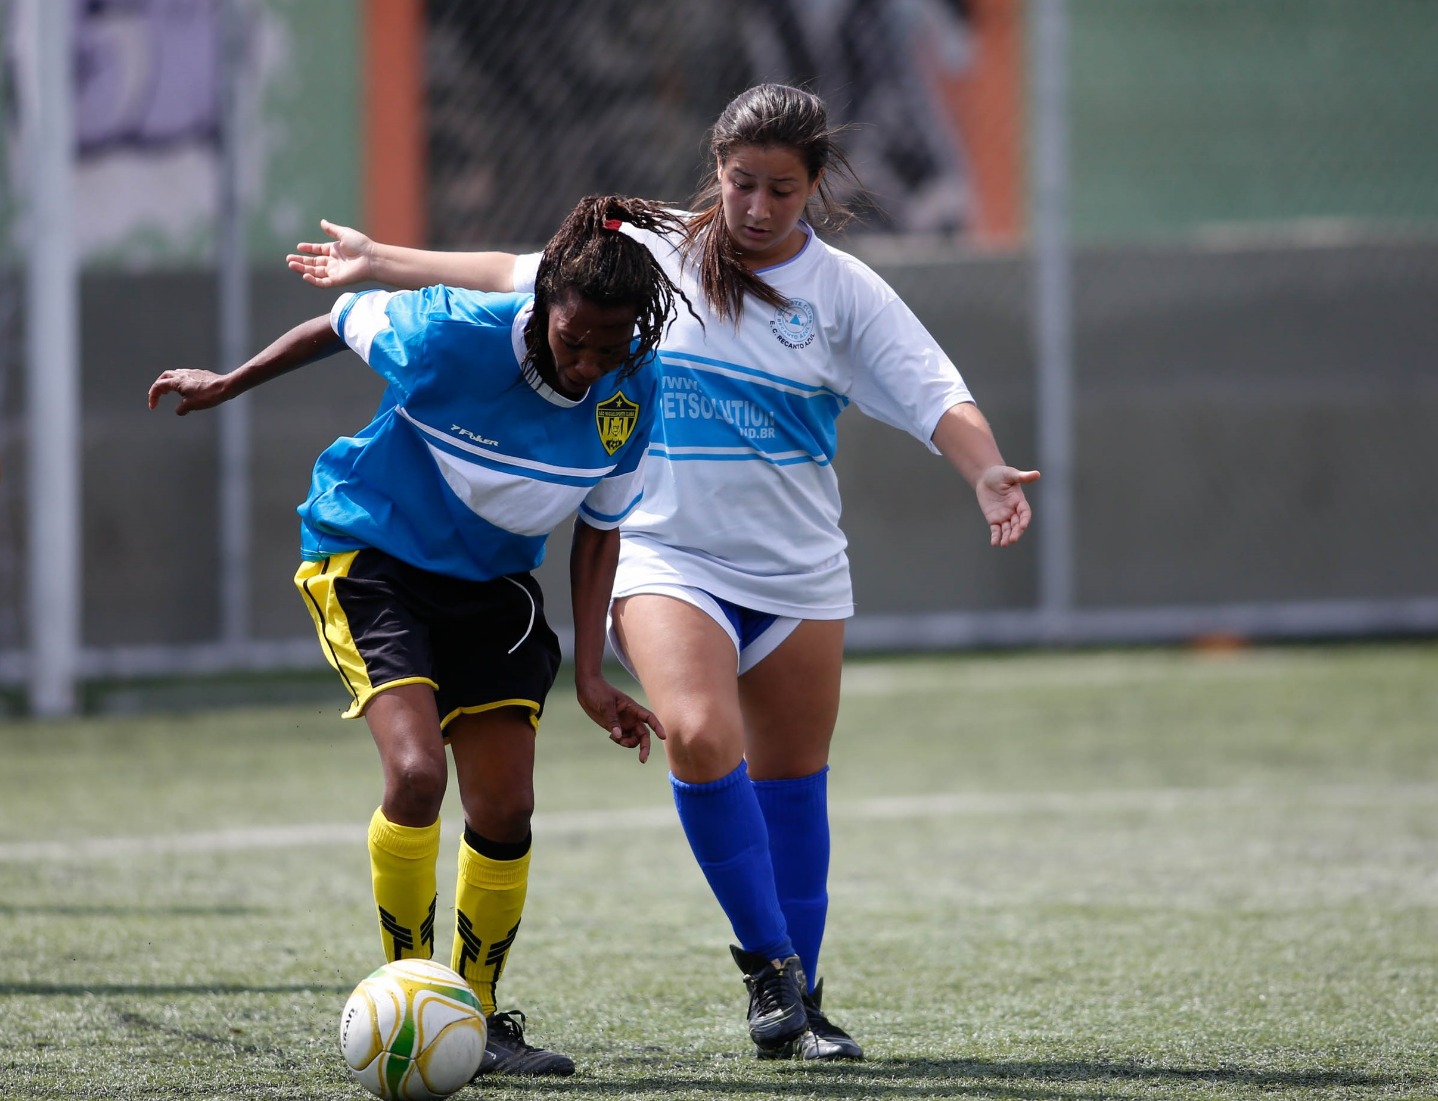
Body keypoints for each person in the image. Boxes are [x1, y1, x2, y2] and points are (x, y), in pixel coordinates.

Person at [287, 83, 1040, 1063]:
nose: (757, 206)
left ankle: (795, 1003)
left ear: (813, 186)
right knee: (693, 729)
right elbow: (519, 274)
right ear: (716, 174)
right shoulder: (650, 255)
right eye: (740, 184)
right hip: (667, 557)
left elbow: (934, 389)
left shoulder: (844, 292)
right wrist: (383, 259)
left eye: (779, 189)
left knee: (793, 795)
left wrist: (985, 471)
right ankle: (763, 964)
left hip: (799, 575)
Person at [156, 195, 691, 1079]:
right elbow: (340, 317)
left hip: (492, 586)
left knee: (507, 808)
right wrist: (227, 381)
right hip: (373, 553)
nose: (591, 363)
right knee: (414, 774)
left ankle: (475, 1020)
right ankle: (407, 982)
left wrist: (593, 676)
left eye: (612, 345)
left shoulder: (636, 383)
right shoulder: (453, 335)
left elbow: (601, 527)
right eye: (575, 341)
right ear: (542, 304)